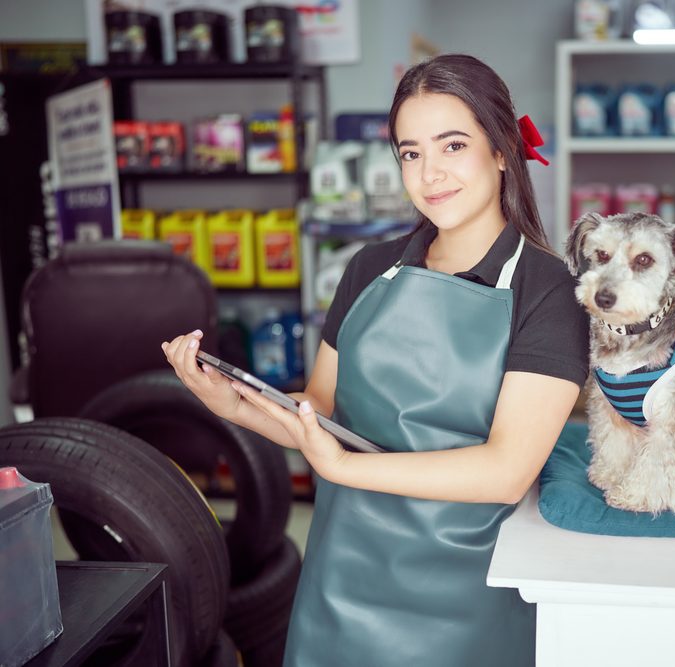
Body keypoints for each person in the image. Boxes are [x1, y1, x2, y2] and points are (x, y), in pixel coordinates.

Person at [162, 53, 590, 667]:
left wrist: (344, 471)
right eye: (411, 153)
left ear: (501, 151)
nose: (430, 173)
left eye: (452, 145)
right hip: (343, 573)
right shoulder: (368, 268)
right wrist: (232, 404)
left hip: (470, 590)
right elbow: (321, 410)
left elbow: (506, 470)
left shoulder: (550, 290)